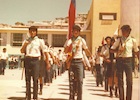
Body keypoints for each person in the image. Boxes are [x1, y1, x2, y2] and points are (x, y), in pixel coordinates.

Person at [20, 26, 50, 100]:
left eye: (34, 31)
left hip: (36, 60)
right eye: (31, 31)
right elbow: (22, 51)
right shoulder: (26, 41)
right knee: (27, 79)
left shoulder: (40, 41)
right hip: (28, 59)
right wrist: (25, 44)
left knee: (35, 78)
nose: (32, 33)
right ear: (29, 32)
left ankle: (35, 96)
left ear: (36, 32)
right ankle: (28, 96)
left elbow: (45, 51)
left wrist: (47, 62)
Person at [64, 25, 93, 100]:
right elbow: (65, 51)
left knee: (80, 80)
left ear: (79, 32)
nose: (76, 32)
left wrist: (91, 56)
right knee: (71, 80)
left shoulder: (81, 40)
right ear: (72, 32)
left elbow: (86, 49)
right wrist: (69, 47)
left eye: (77, 31)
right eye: (74, 30)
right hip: (72, 61)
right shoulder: (70, 40)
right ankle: (71, 97)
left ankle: (79, 97)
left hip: (79, 61)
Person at [110, 25, 139, 100]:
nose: (123, 32)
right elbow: (111, 50)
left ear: (128, 31)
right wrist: (118, 51)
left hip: (128, 60)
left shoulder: (133, 40)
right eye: (122, 31)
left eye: (124, 31)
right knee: (120, 81)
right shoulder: (119, 40)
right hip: (120, 60)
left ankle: (128, 98)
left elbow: (136, 51)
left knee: (129, 81)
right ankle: (121, 98)